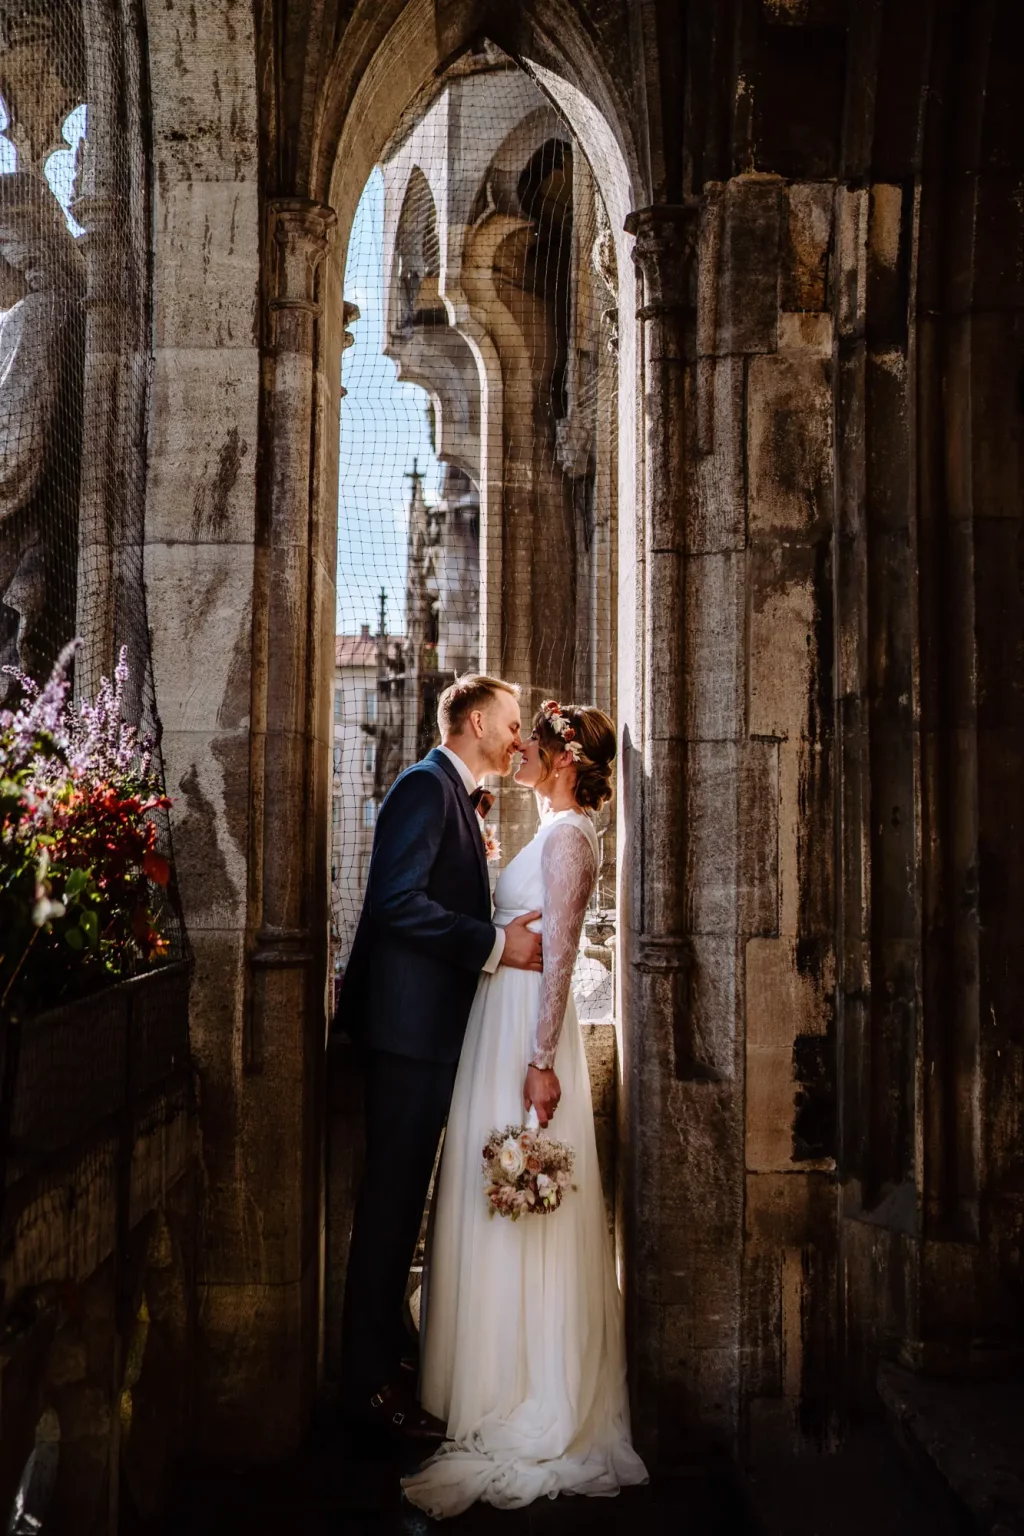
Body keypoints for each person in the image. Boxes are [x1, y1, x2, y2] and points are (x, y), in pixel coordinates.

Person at [402, 700, 648, 1517]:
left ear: (566, 760)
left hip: (526, 1043)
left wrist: (542, 1063)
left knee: (525, 1212)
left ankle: (527, 1389)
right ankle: (488, 1376)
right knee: (487, 1203)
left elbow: (564, 958)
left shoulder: (574, 838)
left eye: (535, 743)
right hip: (495, 1027)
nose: (522, 751)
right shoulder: (548, 831)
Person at [336, 674, 544, 1438]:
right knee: (390, 1208)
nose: (521, 737)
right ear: (478, 721)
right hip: (406, 1037)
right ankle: (366, 1393)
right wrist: (497, 943)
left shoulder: (452, 795)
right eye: (514, 723)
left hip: (423, 1037)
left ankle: (386, 1359)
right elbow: (394, 902)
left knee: (400, 1207)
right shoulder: (426, 787)